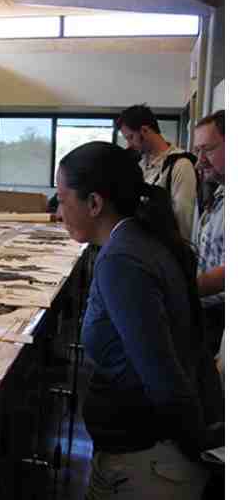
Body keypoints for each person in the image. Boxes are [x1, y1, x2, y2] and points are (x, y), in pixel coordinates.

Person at [56, 141, 222, 499]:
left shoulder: (122, 260)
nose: (58, 211)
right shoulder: (138, 240)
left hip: (147, 463)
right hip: (142, 454)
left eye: (62, 198)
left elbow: (162, 372)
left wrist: (197, 445)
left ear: (95, 203)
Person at [117, 104, 197, 240]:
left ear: (144, 130)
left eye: (130, 137)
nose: (129, 145)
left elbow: (184, 221)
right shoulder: (140, 165)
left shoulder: (180, 165)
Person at [192, 110, 225, 355]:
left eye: (208, 149)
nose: (199, 160)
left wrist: (179, 289)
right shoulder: (220, 192)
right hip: (206, 313)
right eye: (198, 151)